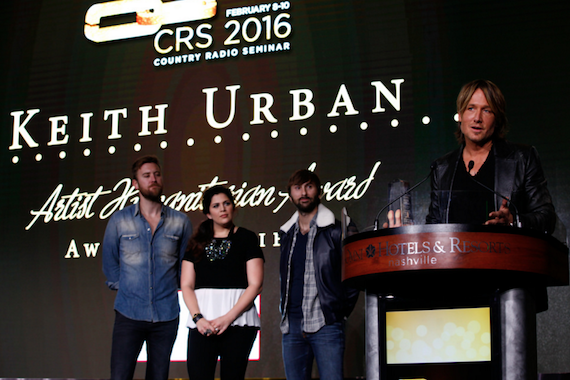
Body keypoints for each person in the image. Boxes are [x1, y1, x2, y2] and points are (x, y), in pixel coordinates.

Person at [102, 155, 193, 380]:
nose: (153, 179)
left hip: (166, 315)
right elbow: (109, 261)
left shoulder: (180, 222)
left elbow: (186, 265)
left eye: (157, 174)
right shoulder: (119, 220)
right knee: (120, 376)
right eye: (146, 176)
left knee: (159, 376)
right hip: (128, 313)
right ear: (135, 183)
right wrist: (126, 289)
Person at [425, 79, 556, 233]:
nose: (477, 118)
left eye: (487, 110)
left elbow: (547, 218)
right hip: (455, 256)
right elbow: (432, 230)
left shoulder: (523, 158)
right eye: (471, 108)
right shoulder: (442, 168)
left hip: (506, 254)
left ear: (497, 119)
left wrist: (514, 221)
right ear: (460, 115)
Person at [279, 169, 359, 380]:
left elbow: (353, 277)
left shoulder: (337, 228)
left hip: (326, 324)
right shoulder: (287, 234)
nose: (303, 192)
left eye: (309, 186)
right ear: (290, 196)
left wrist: (337, 312)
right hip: (292, 326)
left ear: (319, 193)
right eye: (297, 188)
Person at [180, 185, 264, 380]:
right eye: (216, 205)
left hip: (239, 321)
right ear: (208, 213)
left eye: (226, 203)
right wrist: (197, 318)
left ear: (234, 207)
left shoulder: (246, 238)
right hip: (202, 322)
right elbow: (186, 285)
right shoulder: (195, 242)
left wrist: (228, 318)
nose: (223, 209)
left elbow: (256, 284)